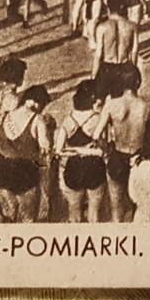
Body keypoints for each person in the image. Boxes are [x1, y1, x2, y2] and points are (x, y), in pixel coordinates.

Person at [0, 84, 51, 223]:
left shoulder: (6, 116)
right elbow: (45, 149)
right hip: (25, 173)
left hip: (2, 170)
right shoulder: (38, 120)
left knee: (8, 214)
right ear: (35, 102)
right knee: (27, 218)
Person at [98, 63, 150, 222]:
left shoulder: (112, 105)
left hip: (117, 155)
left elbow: (97, 135)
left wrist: (106, 148)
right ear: (138, 82)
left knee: (117, 206)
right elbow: (149, 134)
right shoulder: (148, 105)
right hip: (139, 157)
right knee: (139, 204)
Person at [54, 81, 107, 223]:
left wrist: (75, 151)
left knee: (74, 214)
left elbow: (59, 151)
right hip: (94, 168)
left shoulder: (67, 120)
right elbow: (103, 150)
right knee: (94, 213)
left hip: (74, 168)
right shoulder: (98, 119)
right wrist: (87, 150)